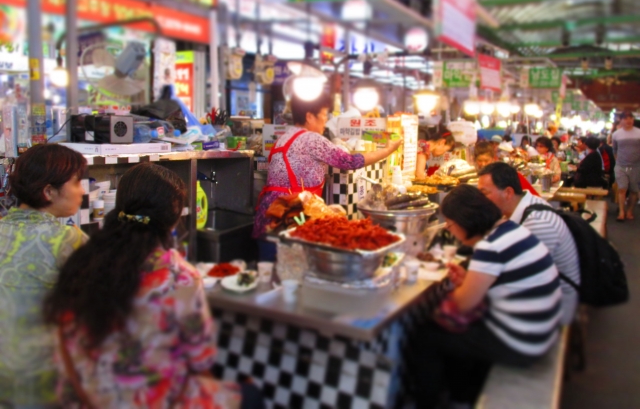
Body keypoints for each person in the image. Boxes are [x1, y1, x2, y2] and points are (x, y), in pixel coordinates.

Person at [43, 163, 263, 408]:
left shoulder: (82, 260)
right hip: (150, 401)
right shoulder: (178, 276)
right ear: (173, 214)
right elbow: (201, 359)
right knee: (252, 394)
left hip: (80, 397)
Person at [408, 185, 561, 407]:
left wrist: (462, 288)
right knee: (458, 333)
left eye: (450, 225)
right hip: (540, 331)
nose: (450, 231)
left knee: (426, 335)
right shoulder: (511, 230)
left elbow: (462, 304)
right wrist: (468, 280)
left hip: (524, 343)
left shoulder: (491, 247)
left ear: (465, 221)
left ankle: (435, 402)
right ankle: (462, 395)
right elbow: (502, 283)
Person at [253, 91, 402, 258]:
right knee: (293, 274)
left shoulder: (284, 137)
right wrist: (388, 149)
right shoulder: (312, 139)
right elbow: (349, 162)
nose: (325, 120)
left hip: (267, 216)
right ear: (309, 117)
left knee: (271, 274)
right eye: (323, 115)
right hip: (290, 218)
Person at [0, 144, 87, 406]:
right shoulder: (68, 240)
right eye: (77, 183)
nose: (82, 191)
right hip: (43, 384)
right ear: (49, 191)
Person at [477, 163, 580, 325]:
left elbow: (524, 283)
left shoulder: (537, 222)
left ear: (508, 193)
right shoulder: (525, 206)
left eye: (485, 193)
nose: (480, 200)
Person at [474, 141, 540, 197]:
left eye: (486, 161)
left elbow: (534, 196)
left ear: (493, 159)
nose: (483, 164)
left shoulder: (505, 175)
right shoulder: (477, 178)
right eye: (479, 161)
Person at [612, 111, 640, 221]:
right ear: (621, 120)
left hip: (636, 166)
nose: (628, 120)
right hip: (621, 166)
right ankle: (622, 212)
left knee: (634, 190)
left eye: (630, 118)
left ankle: (630, 211)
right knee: (622, 189)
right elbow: (614, 150)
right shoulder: (616, 134)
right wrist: (617, 161)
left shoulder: (639, 133)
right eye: (626, 118)